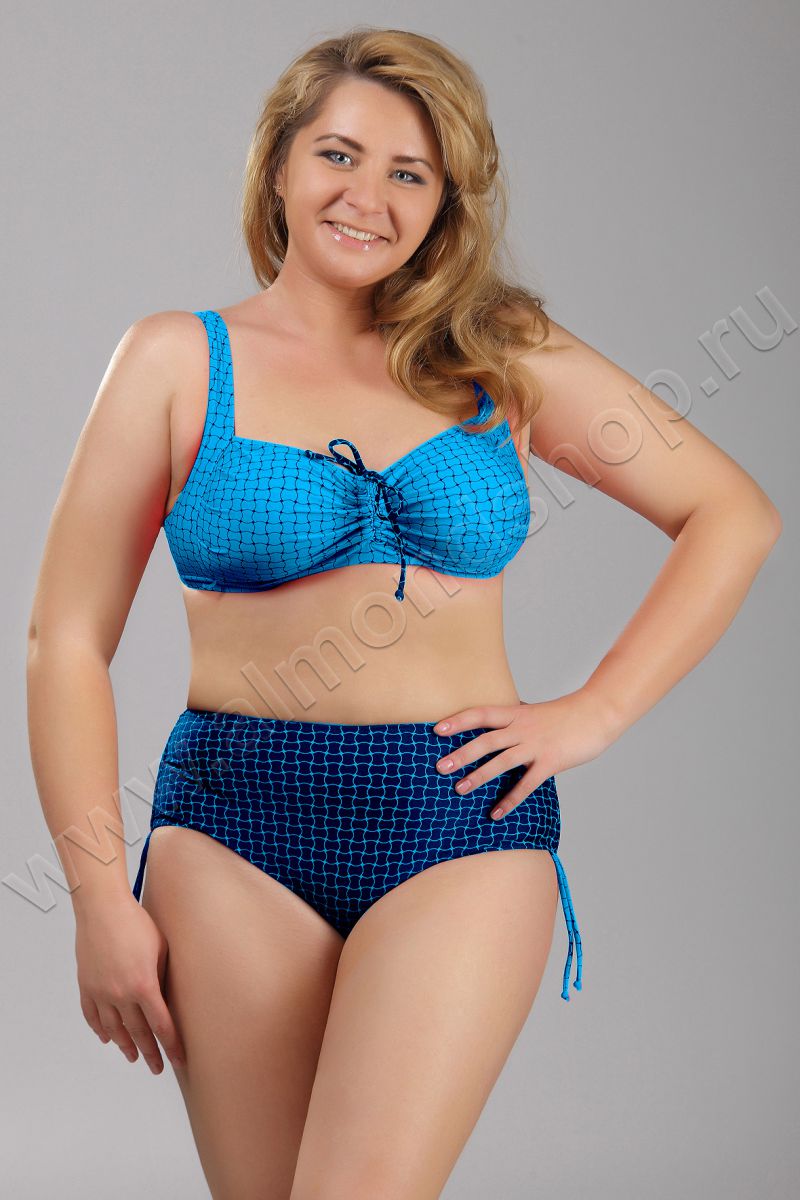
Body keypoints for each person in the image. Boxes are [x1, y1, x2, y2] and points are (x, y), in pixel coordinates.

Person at [26, 26, 782, 1200]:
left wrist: (591, 712)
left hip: (459, 821)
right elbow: (64, 642)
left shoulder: (497, 355)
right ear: (279, 165)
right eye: (336, 155)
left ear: (443, 202)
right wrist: (95, 902)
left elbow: (729, 515)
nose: (364, 197)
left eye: (408, 173)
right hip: (229, 828)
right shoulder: (175, 360)